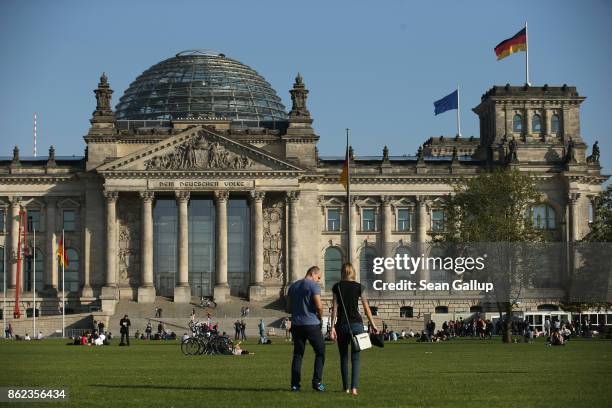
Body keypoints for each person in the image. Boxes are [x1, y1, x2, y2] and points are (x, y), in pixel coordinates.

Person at [330, 263, 378, 396]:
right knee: (355, 358)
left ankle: (345, 388)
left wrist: (332, 326)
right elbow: (366, 308)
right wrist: (373, 324)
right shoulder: (359, 287)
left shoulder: (336, 287)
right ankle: (354, 388)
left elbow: (334, 309)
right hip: (356, 325)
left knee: (344, 358)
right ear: (353, 272)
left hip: (342, 325)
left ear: (342, 272)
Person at [287, 265, 326, 392]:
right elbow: (319, 306)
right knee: (320, 352)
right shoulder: (313, 286)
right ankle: (317, 382)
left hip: (297, 325)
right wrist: (320, 316)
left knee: (298, 355)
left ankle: (295, 385)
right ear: (313, 273)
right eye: (318, 277)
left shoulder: (293, 287)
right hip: (311, 324)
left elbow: (288, 307)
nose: (318, 280)